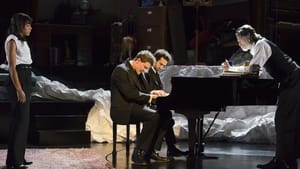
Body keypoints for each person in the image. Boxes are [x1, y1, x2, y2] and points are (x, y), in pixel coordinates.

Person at [234, 24, 299, 169]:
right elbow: (257, 69)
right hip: (288, 83)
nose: (238, 43)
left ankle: (284, 161)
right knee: (282, 121)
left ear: (247, 37)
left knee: (284, 120)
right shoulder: (259, 47)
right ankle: (282, 160)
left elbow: (253, 70)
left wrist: (232, 70)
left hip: (294, 82)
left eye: (239, 40)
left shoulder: (261, 45)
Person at [110, 50, 172, 165]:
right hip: (123, 108)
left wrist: (154, 92)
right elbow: (129, 93)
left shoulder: (140, 72)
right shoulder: (121, 70)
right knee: (154, 116)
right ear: (138, 60)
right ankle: (138, 152)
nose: (144, 70)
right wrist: (152, 97)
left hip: (136, 106)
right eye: (144, 67)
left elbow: (144, 92)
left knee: (166, 115)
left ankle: (152, 150)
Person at [140, 49, 189, 157]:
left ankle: (169, 148)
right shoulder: (147, 73)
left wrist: (163, 94)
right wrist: (159, 94)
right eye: (160, 64)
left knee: (167, 116)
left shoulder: (155, 73)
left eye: (164, 65)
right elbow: (146, 91)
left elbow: (158, 89)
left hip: (156, 102)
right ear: (154, 60)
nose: (162, 67)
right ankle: (158, 149)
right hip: (147, 104)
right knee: (166, 117)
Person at [5, 13, 33, 169]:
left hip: (27, 77)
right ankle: (15, 161)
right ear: (21, 25)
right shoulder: (12, 40)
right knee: (19, 120)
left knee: (24, 121)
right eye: (28, 25)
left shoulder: (24, 42)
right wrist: (19, 89)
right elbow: (12, 67)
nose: (30, 28)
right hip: (19, 78)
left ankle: (18, 157)